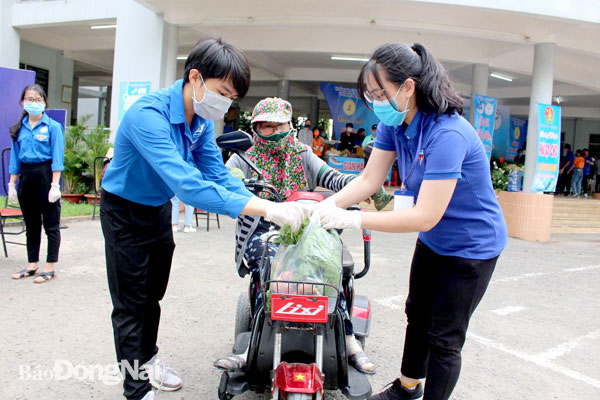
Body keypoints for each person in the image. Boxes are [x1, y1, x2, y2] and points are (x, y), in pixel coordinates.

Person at [100, 39, 307, 400]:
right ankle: (136, 390)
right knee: (131, 305)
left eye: (231, 98)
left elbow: (217, 173)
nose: (224, 104)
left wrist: (261, 201)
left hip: (157, 210)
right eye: (221, 92)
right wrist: (265, 209)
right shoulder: (148, 116)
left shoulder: (198, 122)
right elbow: (188, 185)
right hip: (124, 213)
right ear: (195, 77)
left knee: (153, 296)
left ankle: (147, 361)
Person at [313, 42, 507, 400]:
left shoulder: (447, 134)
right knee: (416, 315)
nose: (374, 101)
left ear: (408, 88)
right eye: (368, 94)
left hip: (472, 248)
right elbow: (369, 180)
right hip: (435, 241)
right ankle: (407, 389)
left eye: (378, 92)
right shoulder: (396, 123)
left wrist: (354, 220)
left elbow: (425, 215)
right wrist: (324, 206)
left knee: (445, 338)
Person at [216, 97, 390, 375]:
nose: (273, 132)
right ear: (255, 128)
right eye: (265, 127)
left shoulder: (302, 153)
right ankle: (251, 348)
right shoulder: (244, 156)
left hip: (306, 230)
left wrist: (362, 187)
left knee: (332, 267)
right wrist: (237, 184)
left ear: (290, 125)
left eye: (279, 125)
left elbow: (333, 177)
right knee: (271, 265)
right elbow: (225, 181)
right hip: (263, 232)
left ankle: (348, 340)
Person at [8, 84, 64, 284]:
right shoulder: (18, 129)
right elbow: (15, 159)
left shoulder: (53, 127)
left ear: (44, 103)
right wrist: (12, 184)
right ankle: (32, 264)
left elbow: (58, 158)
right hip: (27, 177)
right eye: (29, 99)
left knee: (50, 223)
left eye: (38, 100)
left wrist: (55, 185)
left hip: (46, 175)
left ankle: (50, 266)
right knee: (31, 224)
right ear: (23, 102)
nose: (34, 103)